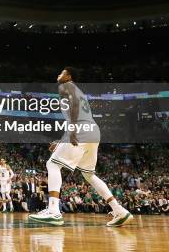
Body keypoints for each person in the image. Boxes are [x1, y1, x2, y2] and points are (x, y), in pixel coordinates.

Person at [28, 67, 133, 227]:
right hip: (93, 130)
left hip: (80, 128)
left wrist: (72, 132)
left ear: (68, 76)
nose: (58, 74)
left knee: (53, 164)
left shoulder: (65, 87)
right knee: (89, 175)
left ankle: (54, 211)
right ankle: (118, 210)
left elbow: (74, 111)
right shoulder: (78, 90)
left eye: (61, 72)